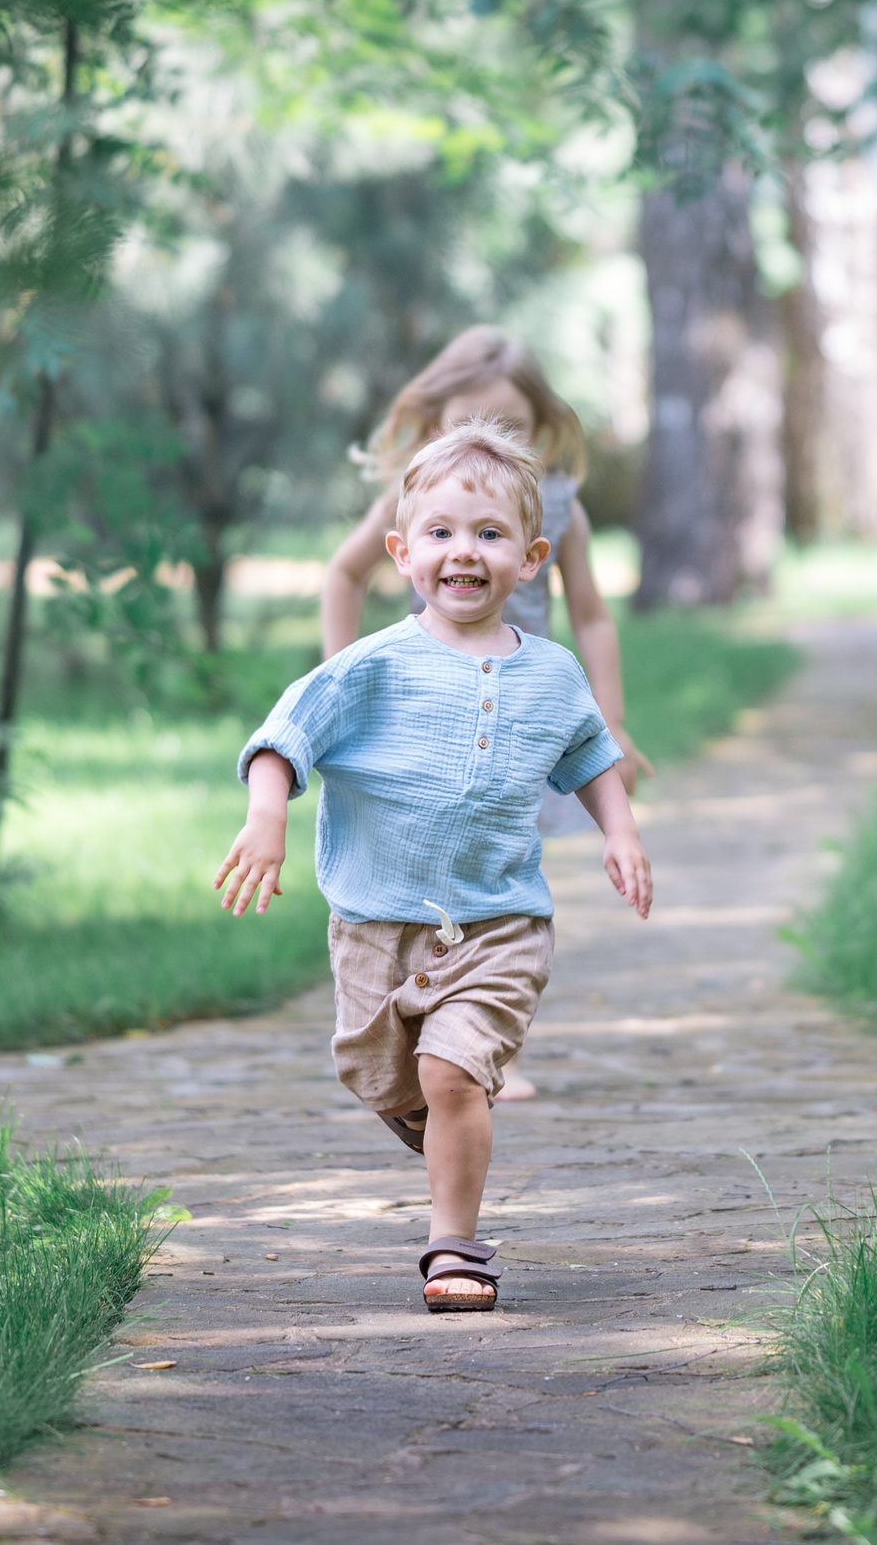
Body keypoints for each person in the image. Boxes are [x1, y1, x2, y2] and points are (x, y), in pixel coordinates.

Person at [216, 422, 654, 1312]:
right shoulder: (369, 667)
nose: (466, 552)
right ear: (401, 551)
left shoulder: (553, 674)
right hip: (377, 926)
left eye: (490, 535)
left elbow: (591, 756)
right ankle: (452, 1122)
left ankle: (453, 1245)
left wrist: (622, 832)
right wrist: (267, 819)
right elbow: (284, 738)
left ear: (531, 559)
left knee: (451, 1072)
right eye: (443, 533)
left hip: (500, 924)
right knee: (385, 1075)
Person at [321, 326, 651, 1099]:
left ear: (541, 430)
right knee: (438, 872)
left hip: (524, 722)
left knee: (500, 877)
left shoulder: (558, 507)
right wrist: (342, 690)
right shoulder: (414, 497)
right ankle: (430, 1019)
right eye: (467, 422)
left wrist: (611, 722)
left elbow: (594, 615)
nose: (485, 441)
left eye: (508, 427)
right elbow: (344, 572)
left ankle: (485, 1031)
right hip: (426, 723)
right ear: (433, 423)